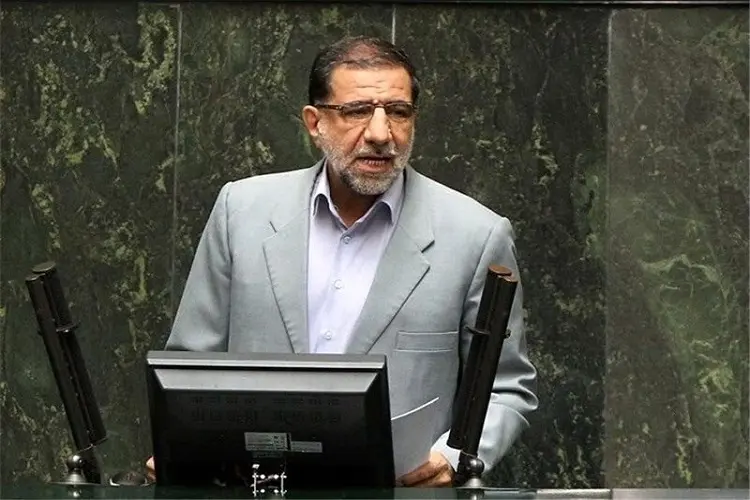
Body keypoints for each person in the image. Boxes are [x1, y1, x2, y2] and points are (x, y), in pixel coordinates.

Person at [159, 35, 538, 488]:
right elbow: (188, 368)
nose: (381, 133)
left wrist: (456, 458)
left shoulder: (476, 235)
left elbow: (506, 384)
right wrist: (184, 446)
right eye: (357, 111)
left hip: (399, 493)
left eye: (398, 111)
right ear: (314, 122)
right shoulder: (241, 212)